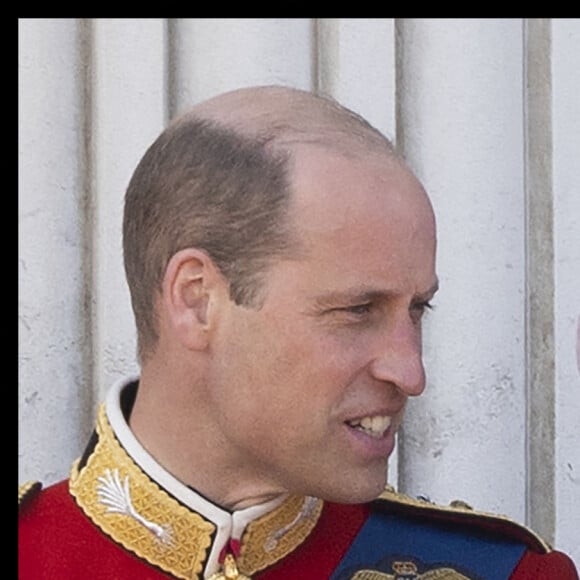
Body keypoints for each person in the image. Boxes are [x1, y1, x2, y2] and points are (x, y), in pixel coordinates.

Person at [19, 85, 578, 579]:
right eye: (358, 309)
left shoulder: (504, 572)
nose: (412, 373)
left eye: (417, 310)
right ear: (197, 300)